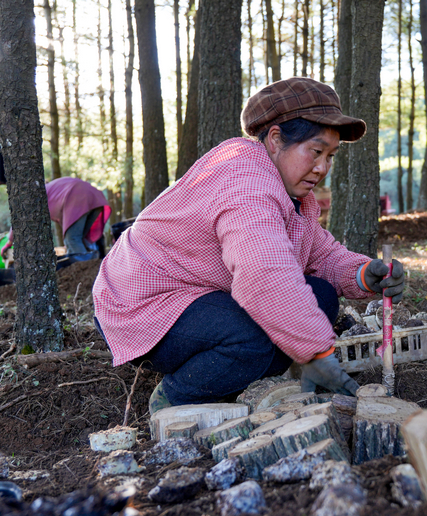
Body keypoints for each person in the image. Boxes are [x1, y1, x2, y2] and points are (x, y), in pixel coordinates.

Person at [92, 77, 406, 414]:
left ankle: (237, 378)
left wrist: (361, 274)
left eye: (330, 156)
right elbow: (264, 275)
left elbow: (320, 255)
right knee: (252, 339)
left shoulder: (293, 194)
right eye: (316, 152)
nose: (323, 168)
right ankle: (178, 396)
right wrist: (316, 352)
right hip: (143, 303)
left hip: (197, 294)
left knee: (321, 296)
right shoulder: (245, 179)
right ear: (275, 139)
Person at [1, 176, 111, 258]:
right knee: (81, 237)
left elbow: (19, 220)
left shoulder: (34, 195)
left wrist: (9, 243)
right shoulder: (52, 189)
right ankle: (94, 266)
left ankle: (85, 272)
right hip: (95, 196)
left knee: (72, 239)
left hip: (77, 196)